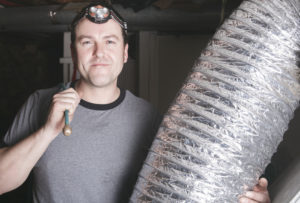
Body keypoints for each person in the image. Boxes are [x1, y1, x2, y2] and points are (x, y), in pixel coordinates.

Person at [0, 1, 270, 202]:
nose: (99, 53)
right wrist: (47, 131)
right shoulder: (40, 103)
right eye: (86, 42)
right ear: (73, 52)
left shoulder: (148, 118)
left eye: (109, 41)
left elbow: (184, 187)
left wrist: (246, 196)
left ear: (125, 52)